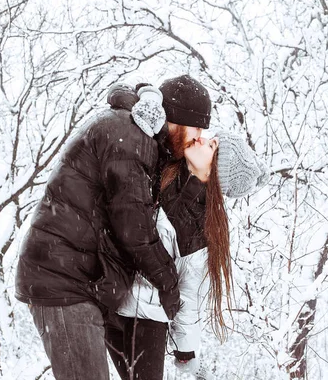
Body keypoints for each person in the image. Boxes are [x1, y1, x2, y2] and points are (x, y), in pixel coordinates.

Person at [14, 75, 213, 380]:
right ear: (174, 120)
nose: (198, 137)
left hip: (77, 282)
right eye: (196, 127)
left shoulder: (137, 136)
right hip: (63, 282)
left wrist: (199, 178)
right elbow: (135, 230)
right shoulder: (131, 138)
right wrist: (170, 286)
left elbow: (163, 221)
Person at [106, 112, 270, 379]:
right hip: (112, 300)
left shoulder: (200, 226)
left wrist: (186, 351)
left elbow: (190, 295)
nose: (203, 139)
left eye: (212, 145)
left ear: (217, 169)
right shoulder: (165, 171)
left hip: (146, 319)